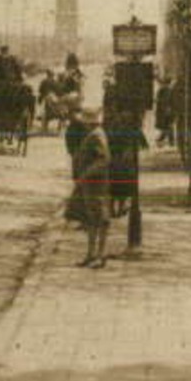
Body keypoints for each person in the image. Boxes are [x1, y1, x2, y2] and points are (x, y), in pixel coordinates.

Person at [72, 108, 113, 268]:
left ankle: (99, 255)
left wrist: (86, 175)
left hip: (96, 184)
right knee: (92, 220)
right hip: (92, 184)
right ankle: (92, 254)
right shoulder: (95, 134)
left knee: (99, 220)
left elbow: (103, 159)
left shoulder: (96, 135)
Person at [154, 76, 176, 147]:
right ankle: (169, 141)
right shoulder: (166, 91)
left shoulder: (164, 91)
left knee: (168, 126)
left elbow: (164, 102)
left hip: (166, 111)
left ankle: (166, 140)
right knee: (168, 126)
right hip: (166, 111)